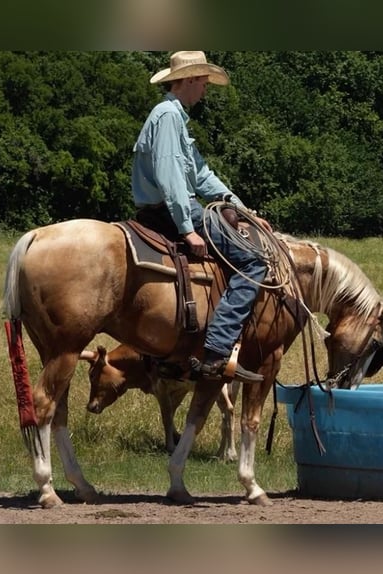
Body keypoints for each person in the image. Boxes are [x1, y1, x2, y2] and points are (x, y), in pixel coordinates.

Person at [131, 50, 267, 383]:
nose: (205, 90)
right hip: (172, 210)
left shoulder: (174, 117)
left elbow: (201, 174)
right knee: (253, 261)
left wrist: (241, 209)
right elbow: (171, 177)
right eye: (204, 83)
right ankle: (218, 351)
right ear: (190, 80)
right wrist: (187, 228)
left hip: (168, 207)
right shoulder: (167, 116)